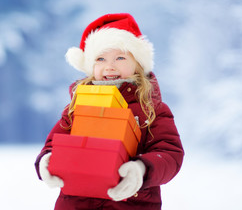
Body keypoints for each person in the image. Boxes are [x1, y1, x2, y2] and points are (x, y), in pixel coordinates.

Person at [34, 13, 184, 210]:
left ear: (138, 64)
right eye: (100, 58)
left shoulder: (152, 109)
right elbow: (54, 143)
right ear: (91, 65)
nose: (109, 66)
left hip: (132, 204)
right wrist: (47, 161)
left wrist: (141, 169)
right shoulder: (77, 106)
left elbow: (169, 153)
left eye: (120, 57)